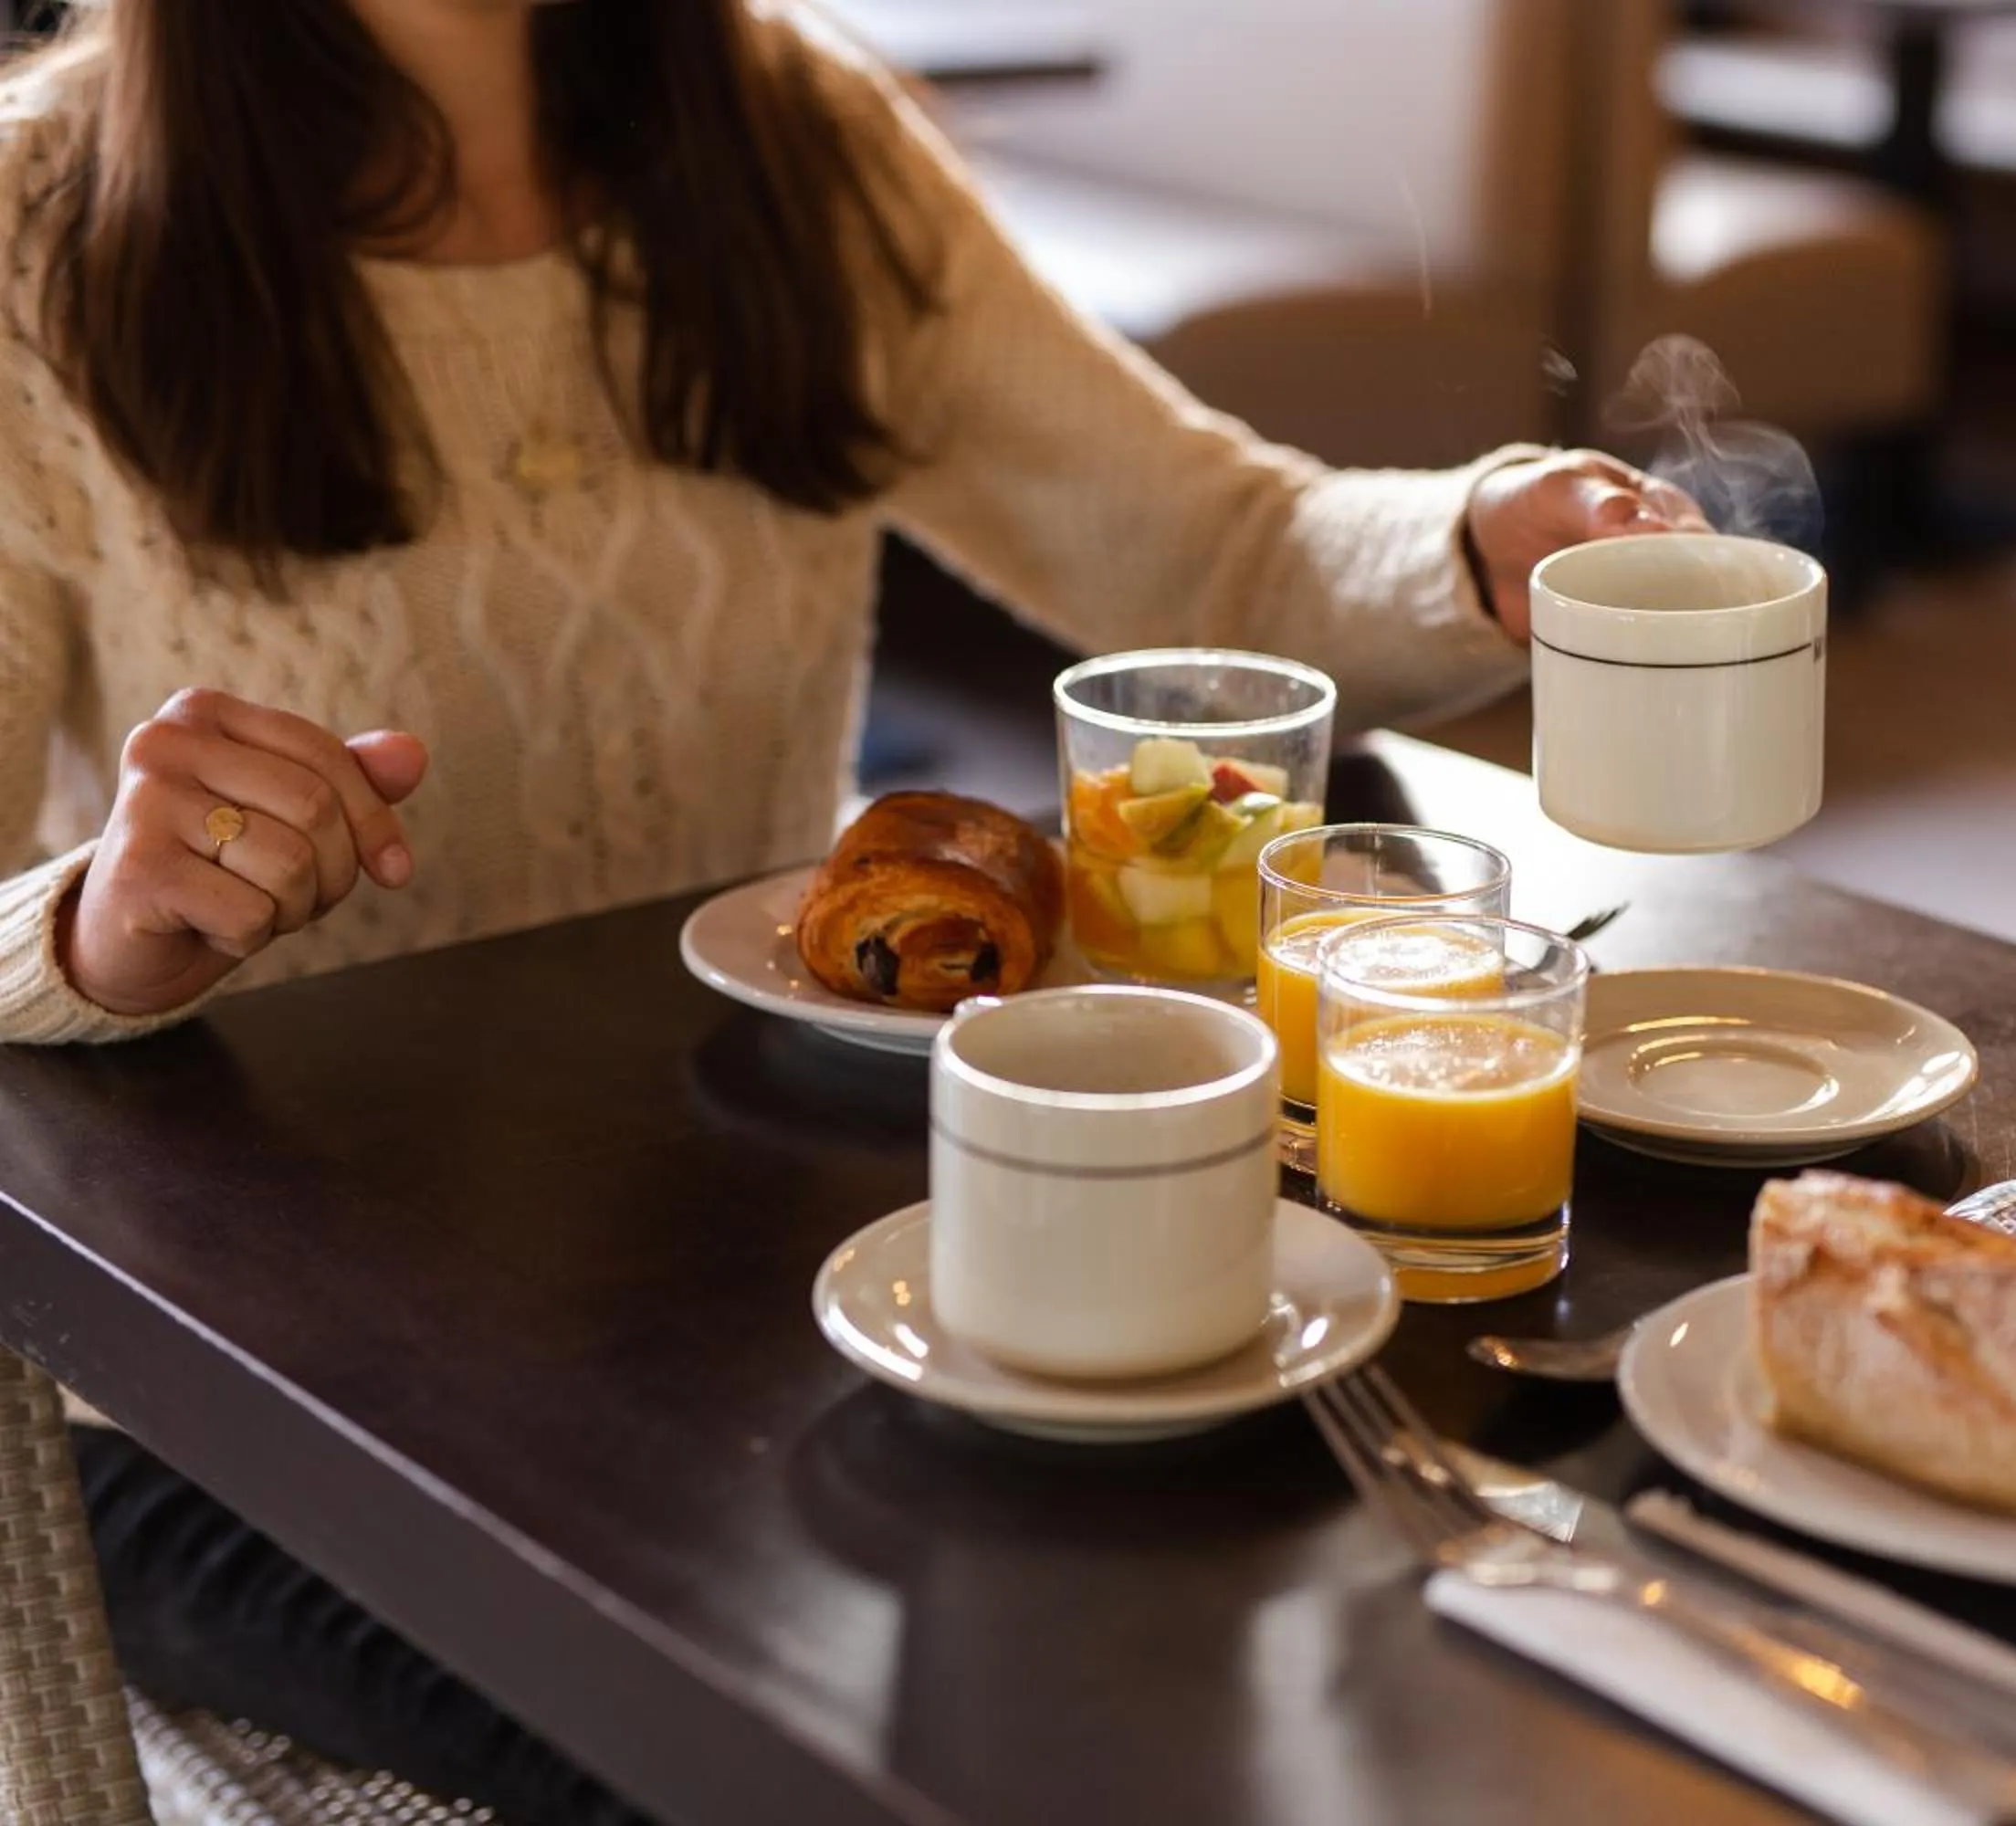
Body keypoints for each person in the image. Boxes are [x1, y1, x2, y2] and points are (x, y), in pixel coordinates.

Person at [0, 2, 1705, 1819]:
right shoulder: (42, 216)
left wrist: (1481, 535)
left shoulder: (796, 135)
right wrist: (102, 917)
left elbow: (1217, 552)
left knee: (1325, 1631)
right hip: (220, 1402)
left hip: (728, 1302)